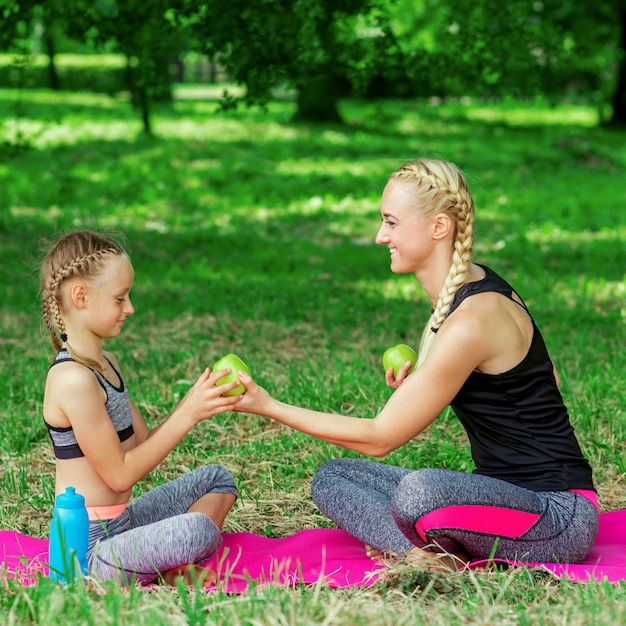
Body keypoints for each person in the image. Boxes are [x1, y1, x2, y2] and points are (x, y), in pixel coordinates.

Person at [232, 158, 598, 569]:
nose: (378, 236)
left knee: (418, 493)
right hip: (498, 497)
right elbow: (545, 377)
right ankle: (425, 553)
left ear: (438, 227)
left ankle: (423, 548)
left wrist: (268, 406)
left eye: (391, 222)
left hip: (556, 518)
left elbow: (380, 438)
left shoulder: (472, 319)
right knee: (334, 477)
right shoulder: (471, 290)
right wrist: (426, 379)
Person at [40, 230, 242, 585]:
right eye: (120, 298)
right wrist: (187, 413)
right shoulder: (73, 380)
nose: (130, 308)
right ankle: (170, 563)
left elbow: (141, 443)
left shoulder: (107, 363)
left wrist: (195, 403)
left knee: (218, 479)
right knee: (195, 530)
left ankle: (166, 562)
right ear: (80, 296)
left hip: (123, 522)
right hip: (88, 550)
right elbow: (119, 474)